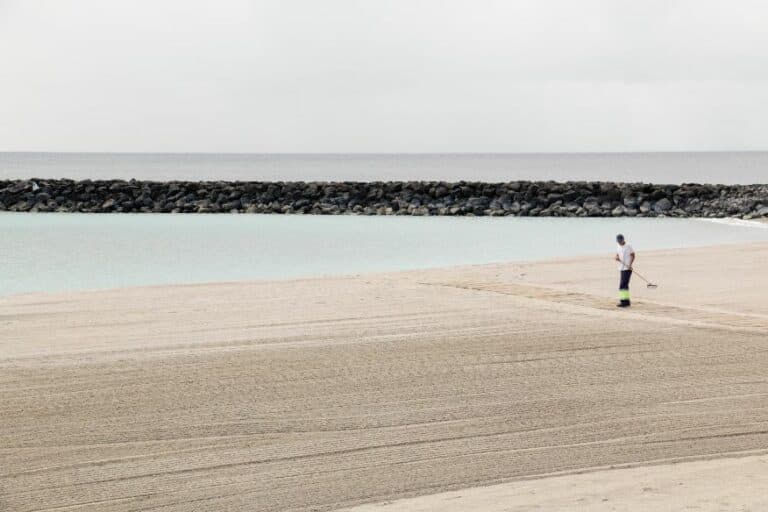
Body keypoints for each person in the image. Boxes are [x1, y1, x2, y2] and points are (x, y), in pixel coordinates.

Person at [614, 234, 635, 307]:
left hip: (627, 268)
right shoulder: (618, 245)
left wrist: (630, 264)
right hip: (621, 268)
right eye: (618, 241)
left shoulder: (628, 245)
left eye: (620, 241)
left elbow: (633, 255)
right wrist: (617, 257)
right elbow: (617, 253)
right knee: (624, 285)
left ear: (623, 239)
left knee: (622, 285)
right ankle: (626, 302)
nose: (619, 242)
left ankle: (624, 302)